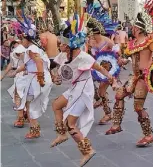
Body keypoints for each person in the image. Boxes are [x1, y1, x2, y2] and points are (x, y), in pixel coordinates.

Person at [105, 0, 153, 147]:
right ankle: (116, 124)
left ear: (139, 28)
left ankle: (148, 135)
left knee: (138, 107)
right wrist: (122, 60)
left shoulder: (150, 41)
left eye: (134, 27)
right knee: (119, 95)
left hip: (144, 78)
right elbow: (127, 55)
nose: (132, 29)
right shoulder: (133, 43)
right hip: (134, 76)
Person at [50, 18, 117, 167]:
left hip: (84, 91)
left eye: (62, 43)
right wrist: (54, 76)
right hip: (74, 89)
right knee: (56, 105)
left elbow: (100, 69)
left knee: (71, 124)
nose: (60, 44)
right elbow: (52, 64)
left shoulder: (84, 57)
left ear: (70, 46)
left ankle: (87, 151)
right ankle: (61, 134)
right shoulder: (63, 55)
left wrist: (113, 80)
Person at [11, 16, 53, 139]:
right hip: (36, 77)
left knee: (30, 104)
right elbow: (29, 65)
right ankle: (34, 129)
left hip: (36, 79)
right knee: (29, 104)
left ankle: (35, 130)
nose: (21, 41)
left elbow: (39, 62)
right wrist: (16, 71)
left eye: (22, 39)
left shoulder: (30, 49)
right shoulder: (33, 48)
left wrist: (40, 79)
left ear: (26, 38)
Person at [86, 4, 120, 125]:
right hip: (97, 69)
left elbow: (117, 51)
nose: (92, 36)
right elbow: (90, 55)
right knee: (89, 83)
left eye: (93, 33)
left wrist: (116, 60)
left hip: (108, 69)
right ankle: (100, 100)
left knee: (101, 91)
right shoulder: (90, 41)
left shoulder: (106, 41)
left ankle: (108, 113)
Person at [1, 41, 28, 127]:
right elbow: (11, 64)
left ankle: (21, 117)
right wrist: (3, 76)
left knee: (19, 96)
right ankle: (23, 115)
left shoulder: (24, 51)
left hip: (25, 75)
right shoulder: (14, 52)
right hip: (19, 75)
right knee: (18, 96)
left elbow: (27, 64)